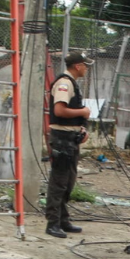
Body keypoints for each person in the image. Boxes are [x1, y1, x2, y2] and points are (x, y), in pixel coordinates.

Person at [45, 51, 92, 238]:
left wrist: (81, 128)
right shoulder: (64, 83)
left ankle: (63, 220)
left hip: (70, 137)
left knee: (69, 181)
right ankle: (52, 223)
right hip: (61, 138)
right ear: (78, 66)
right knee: (59, 181)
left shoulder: (72, 83)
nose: (87, 69)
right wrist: (83, 111)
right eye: (85, 65)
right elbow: (60, 110)